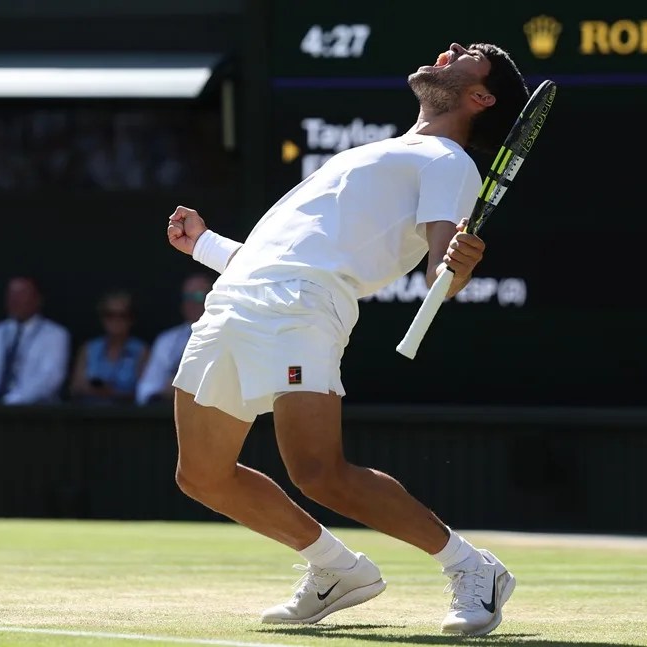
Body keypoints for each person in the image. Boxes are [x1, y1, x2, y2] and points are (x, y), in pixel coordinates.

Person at [164, 42, 529, 636]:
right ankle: (337, 570)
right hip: (236, 298)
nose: (452, 50)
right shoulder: (385, 151)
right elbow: (278, 254)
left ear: (480, 97)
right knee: (201, 475)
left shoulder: (449, 162)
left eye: (470, 55)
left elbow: (441, 271)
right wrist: (205, 246)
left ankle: (473, 569)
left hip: (304, 308)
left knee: (318, 472)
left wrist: (456, 270)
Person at [0, 276, 70, 405]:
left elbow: (50, 378)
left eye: (22, 294)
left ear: (38, 299)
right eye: (11, 294)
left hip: (34, 411)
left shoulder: (55, 335)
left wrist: (11, 403)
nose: (15, 299)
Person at [135, 273, 214, 406]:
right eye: (186, 297)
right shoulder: (167, 340)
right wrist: (164, 393)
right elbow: (146, 389)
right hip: (167, 415)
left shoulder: (229, 336)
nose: (191, 303)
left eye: (198, 297)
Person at [69, 289, 148, 405]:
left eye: (122, 315)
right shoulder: (89, 349)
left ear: (131, 319)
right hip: (89, 414)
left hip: (127, 416)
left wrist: (111, 392)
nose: (116, 320)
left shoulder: (142, 351)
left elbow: (144, 392)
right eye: (109, 315)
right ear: (102, 318)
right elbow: (75, 388)